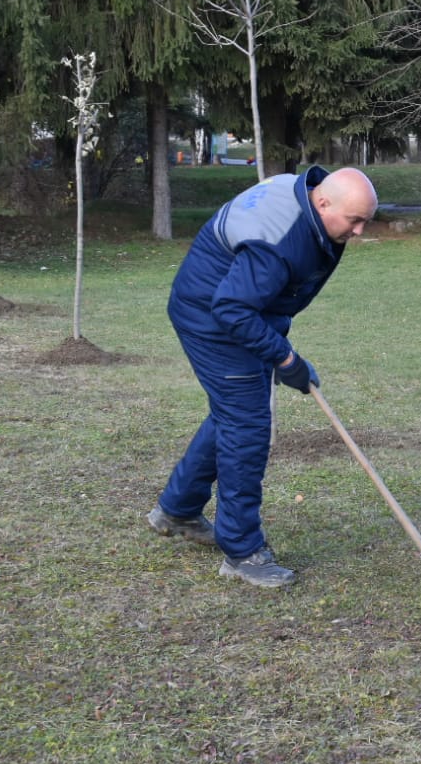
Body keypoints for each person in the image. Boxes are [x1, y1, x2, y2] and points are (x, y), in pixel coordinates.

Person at [146, 166, 378, 588]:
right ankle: (241, 552)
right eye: (354, 220)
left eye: (366, 220)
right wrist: (286, 359)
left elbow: (267, 291)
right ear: (322, 202)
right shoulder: (281, 241)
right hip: (212, 318)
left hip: (231, 308)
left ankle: (177, 509)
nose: (360, 231)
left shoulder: (308, 202)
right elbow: (231, 308)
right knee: (247, 425)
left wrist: (276, 342)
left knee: (232, 414)